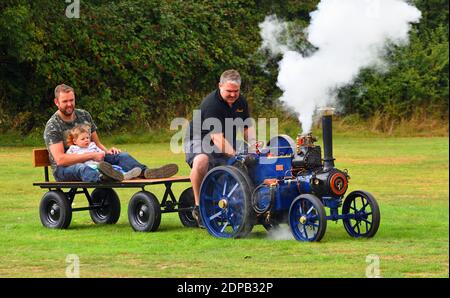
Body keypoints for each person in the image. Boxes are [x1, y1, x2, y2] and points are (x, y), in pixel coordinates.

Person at [44, 83, 178, 183]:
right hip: (66, 169)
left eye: (71, 100)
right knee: (81, 169)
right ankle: (104, 176)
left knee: (121, 156)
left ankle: (146, 172)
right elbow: (60, 160)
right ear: (57, 102)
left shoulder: (84, 115)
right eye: (65, 101)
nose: (69, 104)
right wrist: (92, 155)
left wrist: (107, 152)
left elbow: (97, 143)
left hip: (94, 159)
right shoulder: (53, 125)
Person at [184, 70, 256, 227]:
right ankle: (199, 207)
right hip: (199, 140)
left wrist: (254, 146)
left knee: (254, 158)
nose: (232, 95)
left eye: (236, 91)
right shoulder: (212, 104)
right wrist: (236, 156)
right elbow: (216, 138)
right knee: (201, 160)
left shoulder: (241, 102)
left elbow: (246, 128)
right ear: (220, 86)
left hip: (226, 140)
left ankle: (252, 201)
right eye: (229, 91)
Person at [66, 124, 142, 180]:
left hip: (99, 164)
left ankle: (125, 175)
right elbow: (69, 159)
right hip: (88, 166)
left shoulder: (92, 145)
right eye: (83, 139)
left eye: (87, 138)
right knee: (95, 171)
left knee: (113, 168)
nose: (86, 140)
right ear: (75, 141)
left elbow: (102, 153)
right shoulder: (73, 149)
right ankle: (109, 176)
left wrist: (103, 153)